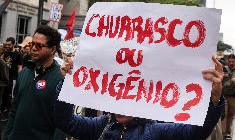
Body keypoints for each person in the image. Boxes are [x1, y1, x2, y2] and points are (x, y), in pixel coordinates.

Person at [54, 56, 224, 140]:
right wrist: (67, 84)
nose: (119, 107)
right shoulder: (102, 124)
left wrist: (214, 100)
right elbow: (65, 121)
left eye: (127, 101)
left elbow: (195, 133)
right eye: (116, 100)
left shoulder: (156, 130)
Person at [4, 26, 65, 140]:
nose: (33, 48)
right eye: (32, 44)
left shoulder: (61, 79)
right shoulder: (25, 72)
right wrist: (7, 135)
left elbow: (62, 125)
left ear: (52, 49)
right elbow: (14, 110)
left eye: (39, 45)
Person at [221, 54, 235, 139]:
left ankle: (228, 132)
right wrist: (222, 76)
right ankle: (223, 133)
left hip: (234, 96)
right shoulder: (224, 69)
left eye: (232, 61)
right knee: (224, 114)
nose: (230, 63)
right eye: (229, 61)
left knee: (230, 114)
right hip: (224, 95)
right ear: (227, 61)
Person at [1, 38, 23, 117]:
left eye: (9, 45)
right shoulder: (5, 53)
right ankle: (3, 109)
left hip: (13, 78)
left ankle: (9, 114)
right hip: (4, 78)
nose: (7, 46)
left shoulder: (18, 54)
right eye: (6, 44)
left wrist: (19, 79)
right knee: (3, 95)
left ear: (13, 44)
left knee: (9, 95)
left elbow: (20, 67)